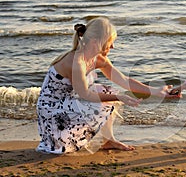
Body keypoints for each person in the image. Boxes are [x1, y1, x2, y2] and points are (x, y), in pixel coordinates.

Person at [36, 17, 176, 154]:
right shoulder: (76, 62)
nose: (113, 46)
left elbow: (123, 79)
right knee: (107, 95)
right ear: (97, 42)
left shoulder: (98, 59)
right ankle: (62, 138)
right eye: (110, 42)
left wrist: (156, 91)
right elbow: (85, 94)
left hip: (67, 103)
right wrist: (119, 97)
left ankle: (109, 140)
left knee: (106, 92)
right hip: (52, 112)